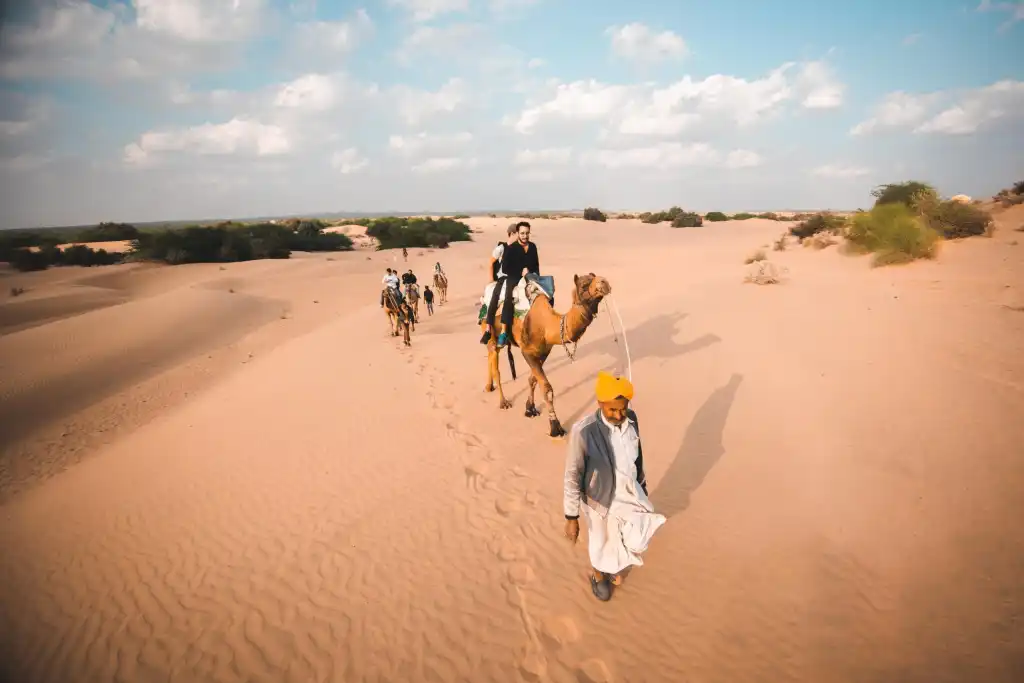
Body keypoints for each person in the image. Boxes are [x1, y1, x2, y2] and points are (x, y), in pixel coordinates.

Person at [562, 371, 666, 602]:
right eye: (612, 410)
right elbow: (572, 474)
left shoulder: (632, 419)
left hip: (630, 490)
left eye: (623, 408)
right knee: (601, 541)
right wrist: (571, 516)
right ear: (600, 404)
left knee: (639, 533)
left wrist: (642, 485)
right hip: (599, 498)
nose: (619, 414)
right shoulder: (584, 430)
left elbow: (638, 458)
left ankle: (616, 562)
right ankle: (599, 573)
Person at [493, 221, 539, 349]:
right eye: (522, 233)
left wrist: (533, 275)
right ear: (518, 233)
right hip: (514, 277)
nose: (525, 236)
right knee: (508, 298)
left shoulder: (533, 247)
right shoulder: (512, 248)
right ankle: (503, 332)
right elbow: (506, 268)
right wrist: (521, 272)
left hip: (530, 276)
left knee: (546, 294)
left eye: (527, 233)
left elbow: (536, 265)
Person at [481, 223, 521, 344]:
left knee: (509, 298)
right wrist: (491, 279)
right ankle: (488, 329)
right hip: (501, 278)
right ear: (512, 234)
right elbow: (491, 262)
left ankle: (504, 332)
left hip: (514, 278)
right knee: (493, 299)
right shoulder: (501, 248)